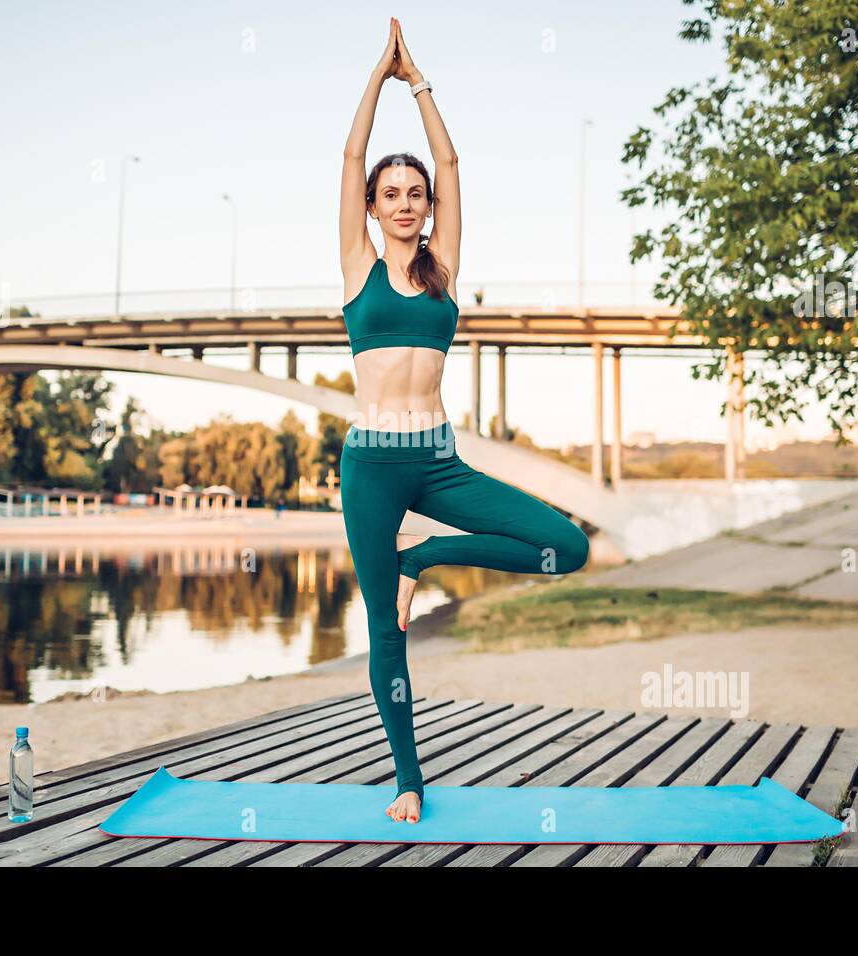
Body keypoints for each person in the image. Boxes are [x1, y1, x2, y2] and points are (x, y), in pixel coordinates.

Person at [338, 19, 590, 825]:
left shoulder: (445, 266)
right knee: (388, 628)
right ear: (374, 209)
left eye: (416, 195)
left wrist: (421, 85)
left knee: (567, 547)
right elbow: (348, 160)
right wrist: (378, 78)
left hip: (439, 464)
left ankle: (434, 552)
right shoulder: (358, 266)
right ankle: (409, 779)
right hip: (373, 466)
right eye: (392, 195)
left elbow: (450, 160)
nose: (406, 203)